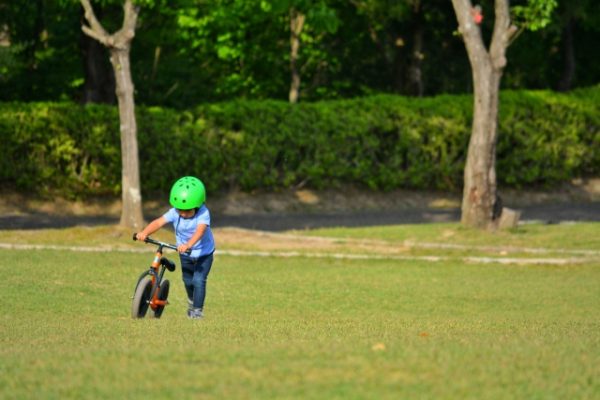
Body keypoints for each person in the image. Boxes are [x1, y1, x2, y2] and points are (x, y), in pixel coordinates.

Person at [136, 176, 215, 320]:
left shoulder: (204, 213)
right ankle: (192, 300)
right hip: (185, 254)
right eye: (180, 210)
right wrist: (144, 233)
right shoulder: (175, 212)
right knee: (187, 280)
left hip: (204, 254)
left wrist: (188, 245)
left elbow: (200, 231)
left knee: (198, 280)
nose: (183, 214)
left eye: (187, 211)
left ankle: (197, 311)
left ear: (197, 205)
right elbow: (159, 222)